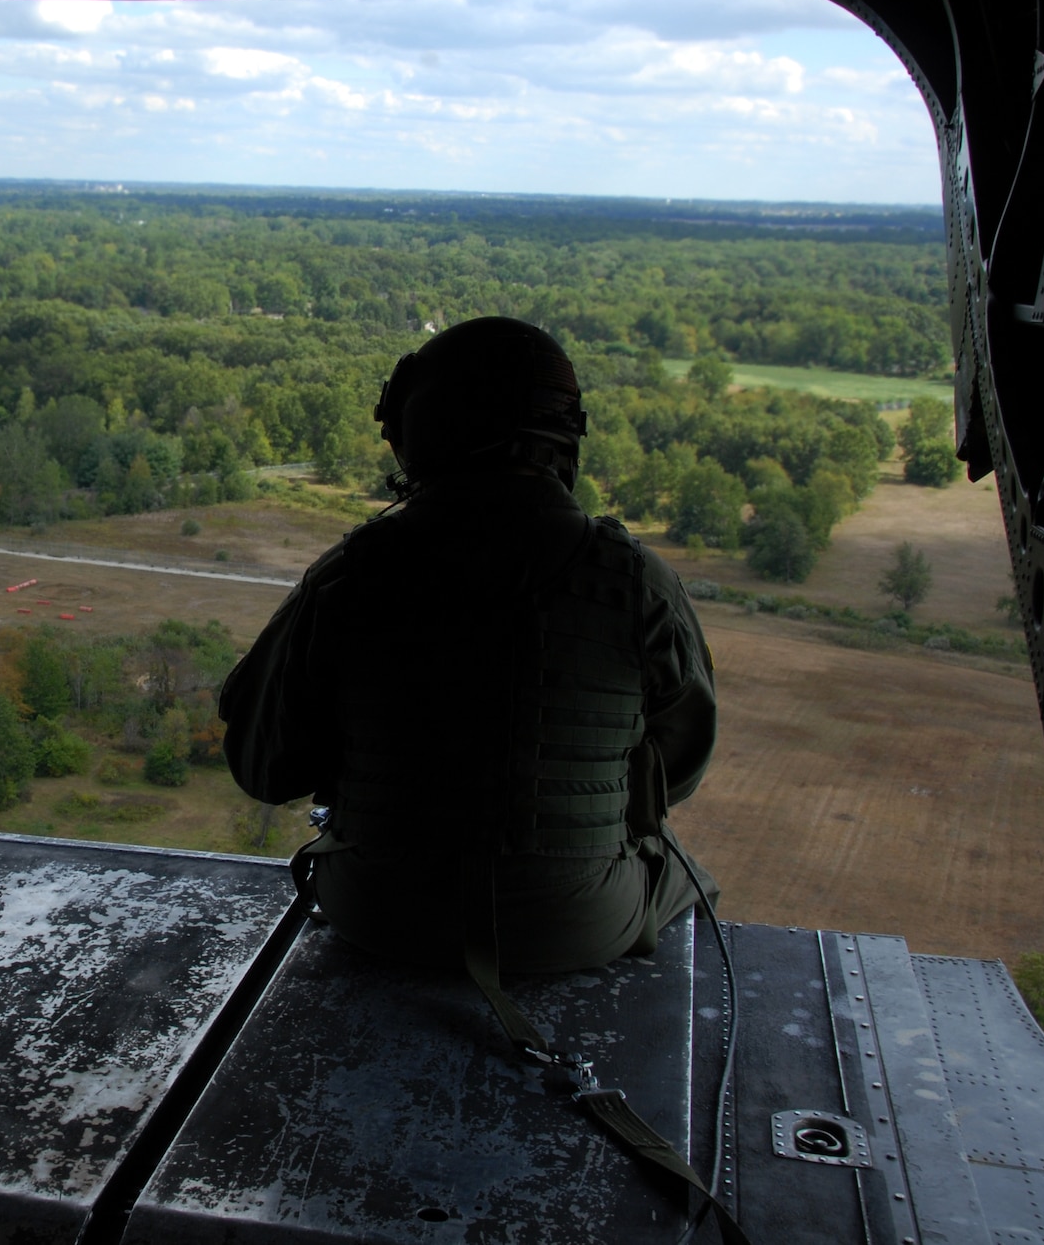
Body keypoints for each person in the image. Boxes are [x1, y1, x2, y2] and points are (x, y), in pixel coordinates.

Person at [219, 317, 720, 976]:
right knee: (689, 877)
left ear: (418, 433)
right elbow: (680, 767)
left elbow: (263, 766)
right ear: (564, 439)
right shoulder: (638, 583)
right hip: (577, 923)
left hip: (380, 913)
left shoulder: (352, 576)